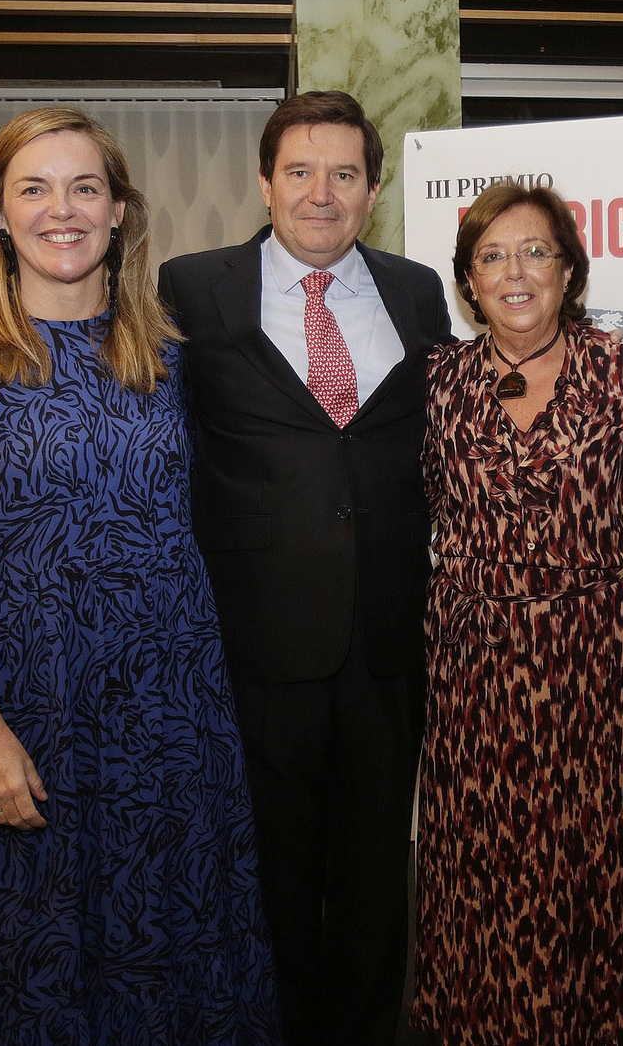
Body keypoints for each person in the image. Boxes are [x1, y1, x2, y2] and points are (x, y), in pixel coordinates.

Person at [0, 106, 279, 1045]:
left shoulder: (168, 361)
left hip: (171, 723)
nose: (59, 210)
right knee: (30, 965)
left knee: (180, 956)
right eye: (33, 188)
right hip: (30, 723)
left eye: (84, 188)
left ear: (119, 213)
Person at [156, 91, 452, 1044]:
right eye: (300, 171)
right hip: (257, 642)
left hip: (387, 640)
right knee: (272, 876)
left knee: (374, 877)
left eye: (344, 174)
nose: (321, 193)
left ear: (374, 188)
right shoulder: (193, 289)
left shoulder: (416, 292)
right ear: (264, 180)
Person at [411, 181, 623, 1045]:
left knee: (605, 880)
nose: (514, 271)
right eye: (491, 257)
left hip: (605, 669)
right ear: (468, 284)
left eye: (534, 251)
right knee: (489, 886)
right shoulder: (434, 383)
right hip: (478, 677)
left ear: (569, 270)